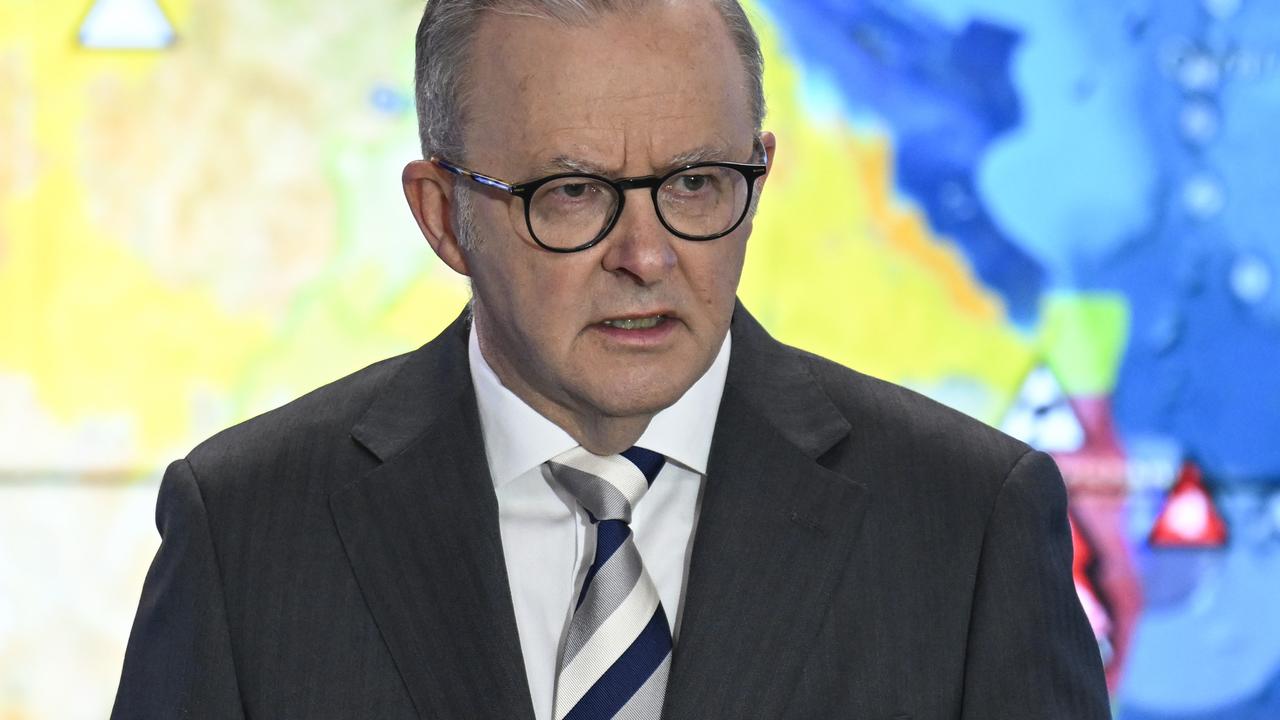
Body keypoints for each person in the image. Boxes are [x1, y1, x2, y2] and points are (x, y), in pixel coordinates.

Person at [111, 0, 1111, 718]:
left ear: (756, 173)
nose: (646, 256)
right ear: (441, 216)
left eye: (695, 182)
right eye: (574, 193)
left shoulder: (966, 521)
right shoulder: (247, 531)